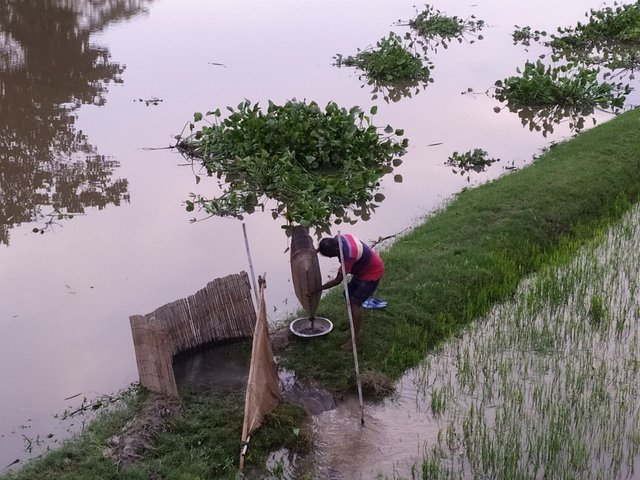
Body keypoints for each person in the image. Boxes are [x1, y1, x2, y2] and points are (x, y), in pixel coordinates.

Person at [315, 233, 384, 350]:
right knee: (347, 295)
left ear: (336, 249)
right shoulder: (339, 239)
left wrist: (319, 288)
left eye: (332, 255)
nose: (333, 258)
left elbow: (337, 280)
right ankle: (354, 325)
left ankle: (354, 339)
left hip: (371, 273)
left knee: (354, 303)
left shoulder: (348, 256)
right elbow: (327, 246)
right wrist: (315, 251)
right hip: (363, 269)